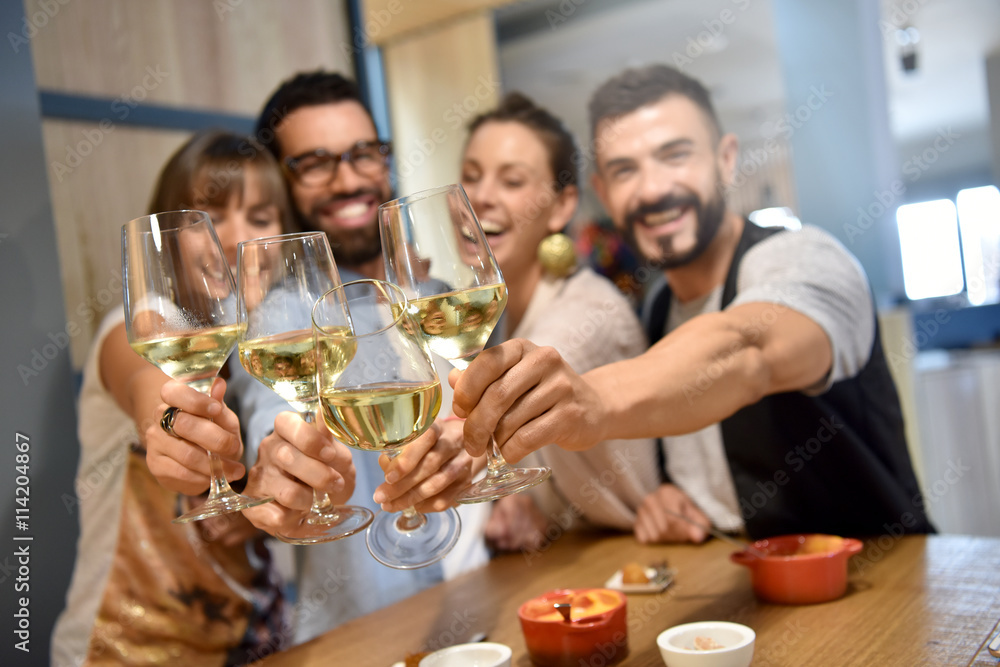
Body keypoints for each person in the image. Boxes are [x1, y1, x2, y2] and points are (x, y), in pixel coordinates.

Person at [451, 65, 933, 541]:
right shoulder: (658, 307)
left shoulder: (805, 257)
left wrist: (591, 400)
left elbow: (747, 351)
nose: (654, 189)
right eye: (624, 170)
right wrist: (668, 498)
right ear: (603, 192)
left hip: (878, 587)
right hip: (744, 592)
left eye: (675, 156)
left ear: (726, 160)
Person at [51, 130, 334, 666]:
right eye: (209, 217)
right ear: (166, 233)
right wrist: (163, 423)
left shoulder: (259, 348)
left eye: (260, 217)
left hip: (251, 641)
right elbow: (143, 382)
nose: (234, 239)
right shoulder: (144, 327)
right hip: (125, 649)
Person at [251, 71, 482, 642]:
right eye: (315, 162)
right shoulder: (284, 317)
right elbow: (271, 425)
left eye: (363, 153)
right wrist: (280, 471)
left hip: (479, 614)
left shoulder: (435, 298)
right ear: (282, 183)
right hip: (363, 638)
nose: (349, 178)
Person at [443, 92, 662, 551]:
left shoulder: (588, 310)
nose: (480, 197)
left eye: (512, 181)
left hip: (648, 556)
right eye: (471, 177)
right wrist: (522, 503)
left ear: (562, 207)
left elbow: (536, 371)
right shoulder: (493, 316)